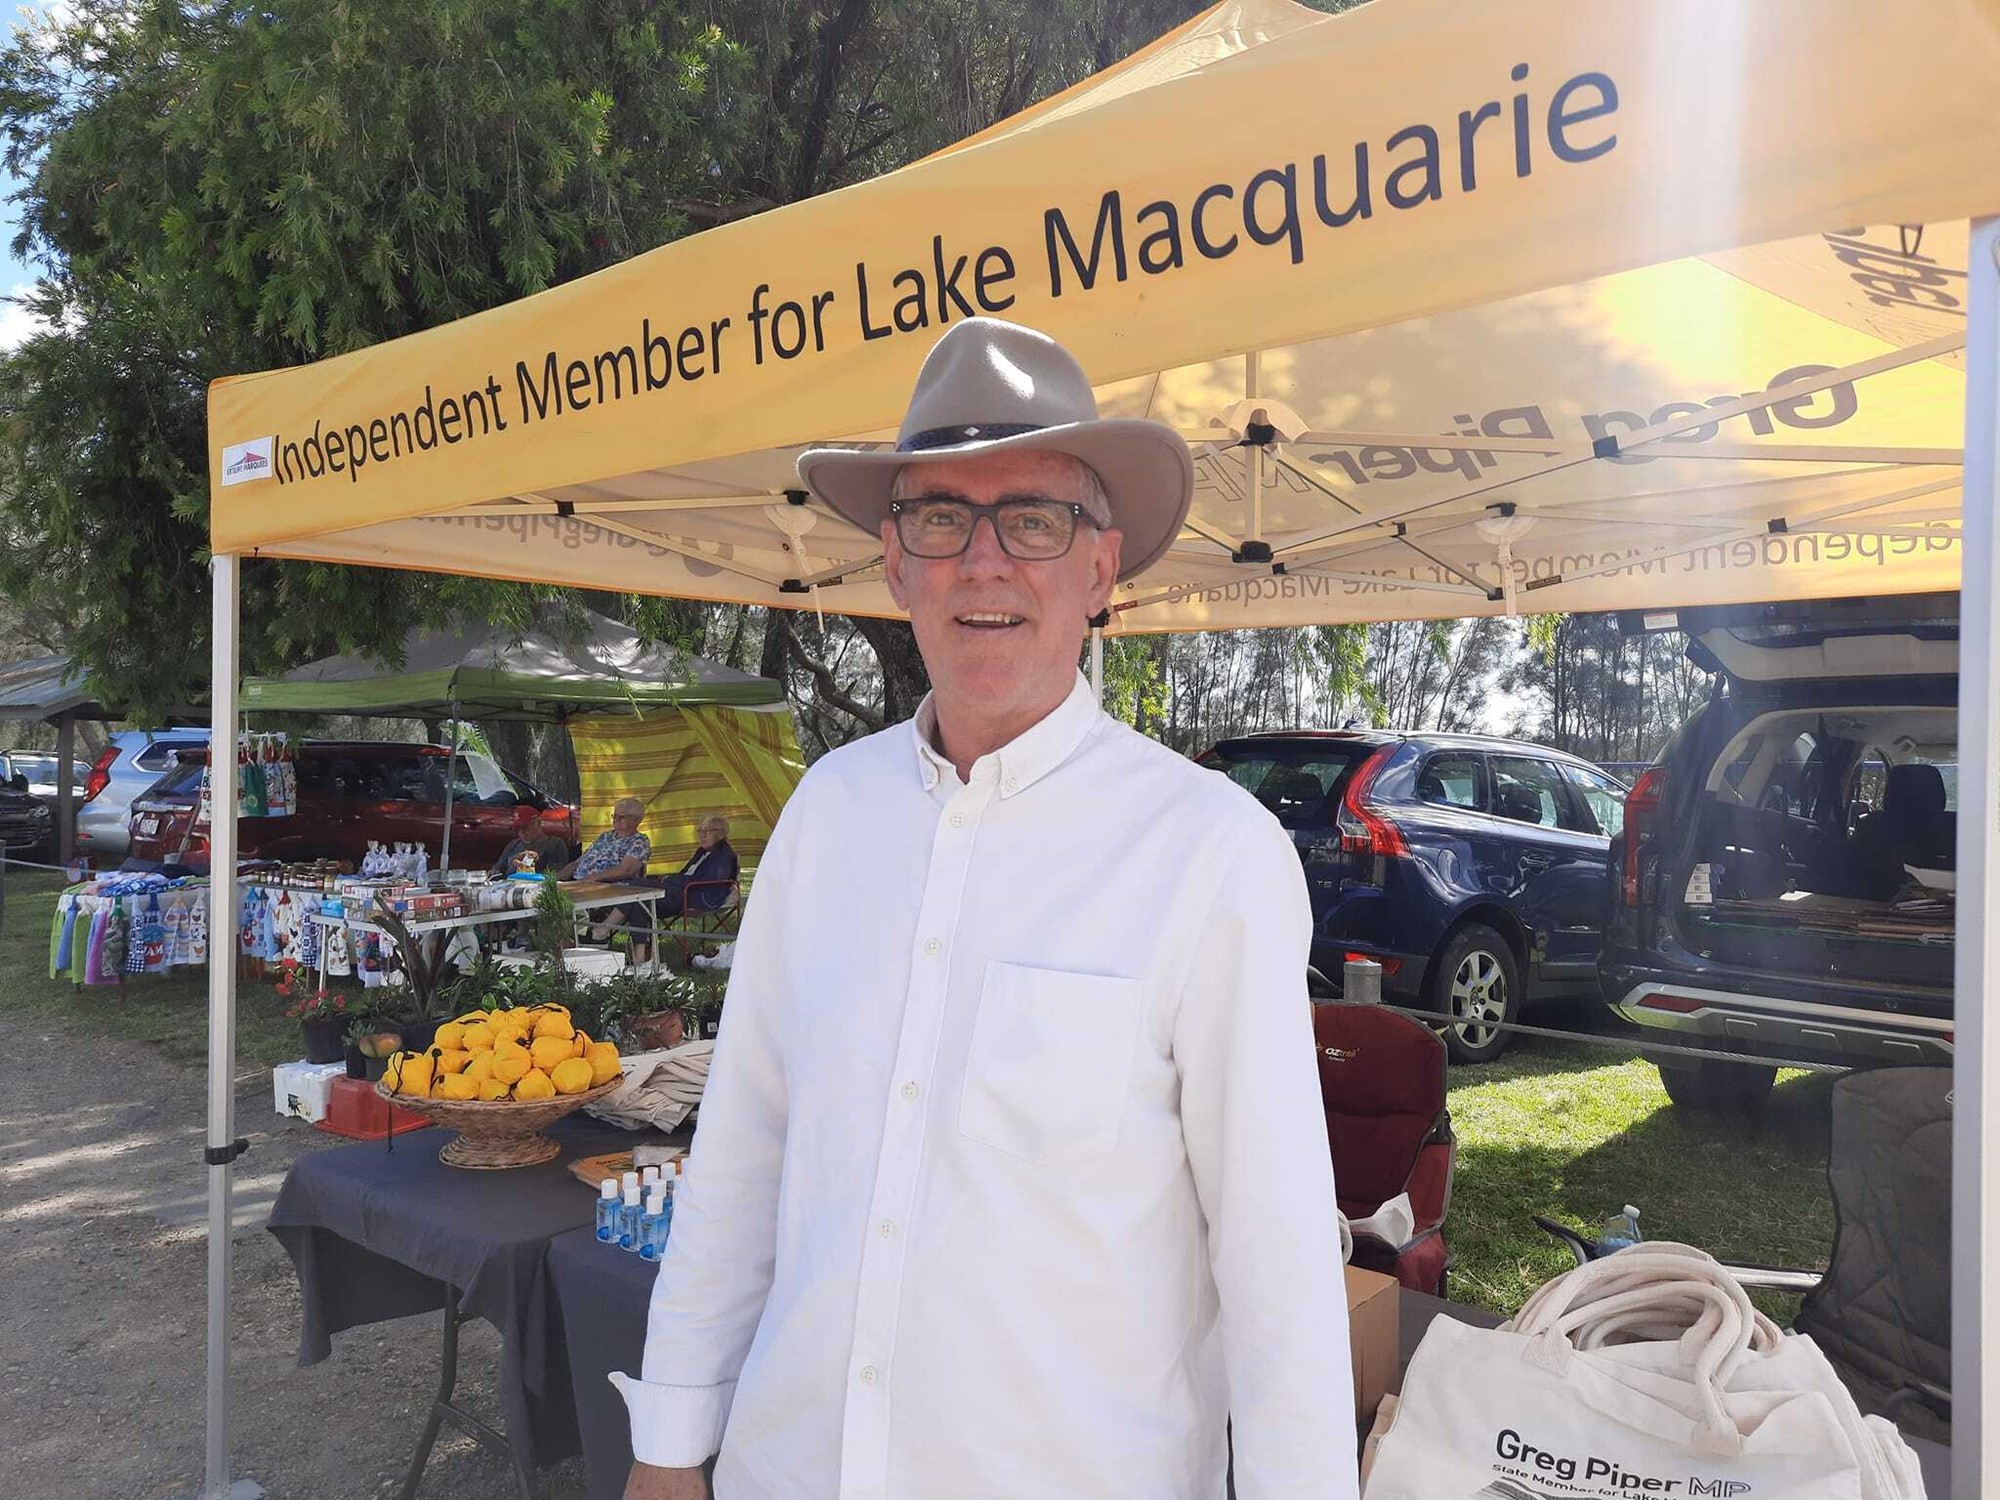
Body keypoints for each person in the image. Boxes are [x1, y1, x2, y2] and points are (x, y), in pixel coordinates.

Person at [615, 318, 1355, 1500]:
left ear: (1100, 569)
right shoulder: (824, 814)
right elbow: (743, 1150)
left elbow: (1274, 1267)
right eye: (940, 518)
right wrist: (669, 1444)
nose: (984, 561)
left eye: (1034, 518)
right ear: (896, 564)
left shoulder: (1209, 853)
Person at [560, 797, 652, 883]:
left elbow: (626, 870)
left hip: (607, 887)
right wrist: (552, 880)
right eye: (615, 816)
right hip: (580, 882)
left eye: (621, 817)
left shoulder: (639, 842)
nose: (616, 819)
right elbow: (578, 862)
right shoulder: (606, 836)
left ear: (636, 820)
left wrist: (590, 879)